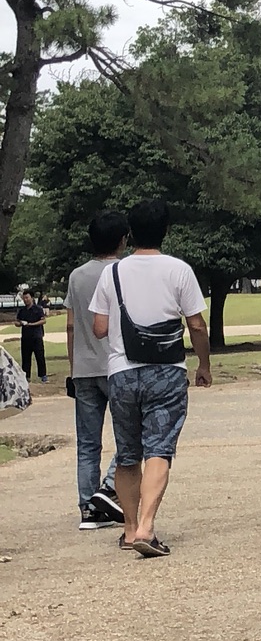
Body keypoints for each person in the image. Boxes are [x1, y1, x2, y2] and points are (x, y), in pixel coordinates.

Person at [88, 197, 213, 556]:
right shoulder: (178, 270)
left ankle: (128, 530)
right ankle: (147, 526)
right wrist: (203, 365)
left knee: (128, 453)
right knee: (159, 448)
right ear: (166, 231)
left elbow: (99, 327)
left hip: (123, 373)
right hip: (167, 372)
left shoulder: (112, 273)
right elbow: (197, 325)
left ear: (129, 233)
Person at [65, 211, 128, 533]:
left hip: (84, 367)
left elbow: (72, 324)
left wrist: (73, 369)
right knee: (130, 436)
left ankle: (88, 508)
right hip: (116, 364)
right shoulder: (122, 271)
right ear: (122, 240)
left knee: (87, 443)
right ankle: (107, 488)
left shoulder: (77, 276)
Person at [16, 286, 47, 382]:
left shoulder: (38, 309)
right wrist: (20, 323)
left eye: (27, 298)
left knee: (40, 356)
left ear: (32, 298)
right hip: (25, 337)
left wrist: (32, 324)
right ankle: (26, 376)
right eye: (24, 298)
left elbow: (43, 321)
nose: (25, 300)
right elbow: (17, 322)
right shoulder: (22, 310)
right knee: (26, 358)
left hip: (36, 336)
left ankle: (43, 376)